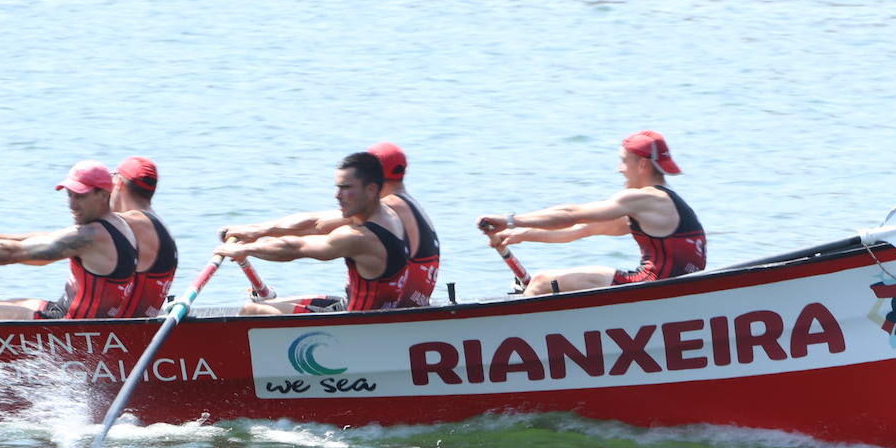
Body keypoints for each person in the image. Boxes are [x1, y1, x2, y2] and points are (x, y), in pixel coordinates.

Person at [476, 130, 706, 296]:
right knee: (548, 282)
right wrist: (522, 235)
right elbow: (583, 230)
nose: (619, 169)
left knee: (540, 283)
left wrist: (509, 221)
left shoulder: (645, 198)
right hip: (665, 291)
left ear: (643, 165)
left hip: (650, 287)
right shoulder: (660, 206)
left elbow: (571, 214)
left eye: (623, 161)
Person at [219, 141, 439, 306]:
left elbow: (312, 234)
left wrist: (247, 245)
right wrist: (256, 231)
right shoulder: (400, 207)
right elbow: (317, 224)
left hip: (383, 314)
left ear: (372, 180)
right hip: (402, 303)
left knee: (254, 312)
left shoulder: (387, 210)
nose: (338, 195)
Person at [0, 161, 140, 321]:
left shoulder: (90, 236)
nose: (72, 205)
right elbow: (42, 241)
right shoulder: (114, 224)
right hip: (67, 311)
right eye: (69, 196)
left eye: (80, 196)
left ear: (103, 194)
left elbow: (13, 253)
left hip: (72, 329)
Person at [112, 156, 178, 317]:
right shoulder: (158, 223)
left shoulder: (132, 223)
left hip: (119, 332)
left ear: (119, 183)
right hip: (138, 326)